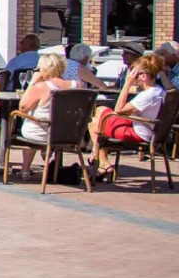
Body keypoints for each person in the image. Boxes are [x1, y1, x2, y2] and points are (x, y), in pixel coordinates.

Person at [90, 53, 166, 182]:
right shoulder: (158, 90)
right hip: (147, 128)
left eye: (134, 74)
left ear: (144, 76)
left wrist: (127, 83)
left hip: (140, 133)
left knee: (93, 124)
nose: (132, 76)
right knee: (100, 110)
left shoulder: (147, 95)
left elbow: (118, 110)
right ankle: (99, 158)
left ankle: (103, 163)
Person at [14, 52, 79, 179]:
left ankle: (25, 169)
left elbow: (22, 108)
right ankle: (51, 165)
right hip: (68, 134)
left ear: (45, 69)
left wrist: (32, 82)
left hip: (42, 133)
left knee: (29, 123)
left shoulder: (41, 87)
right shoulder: (76, 85)